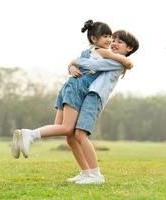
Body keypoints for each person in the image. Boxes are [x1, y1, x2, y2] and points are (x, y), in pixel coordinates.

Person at [11, 21, 132, 161]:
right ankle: (29, 134)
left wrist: (71, 65)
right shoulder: (102, 51)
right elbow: (118, 59)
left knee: (59, 128)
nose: (110, 40)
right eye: (106, 36)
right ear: (94, 39)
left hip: (69, 86)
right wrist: (127, 62)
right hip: (77, 87)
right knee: (68, 129)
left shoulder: (87, 51)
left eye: (110, 36)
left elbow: (80, 62)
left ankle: (21, 139)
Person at [65, 30, 139, 184]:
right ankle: (86, 173)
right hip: (90, 95)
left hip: (95, 97)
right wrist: (71, 67)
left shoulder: (117, 61)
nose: (114, 43)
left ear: (129, 48)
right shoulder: (115, 58)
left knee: (80, 134)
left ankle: (96, 175)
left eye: (120, 42)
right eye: (114, 39)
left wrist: (74, 61)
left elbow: (94, 64)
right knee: (74, 135)